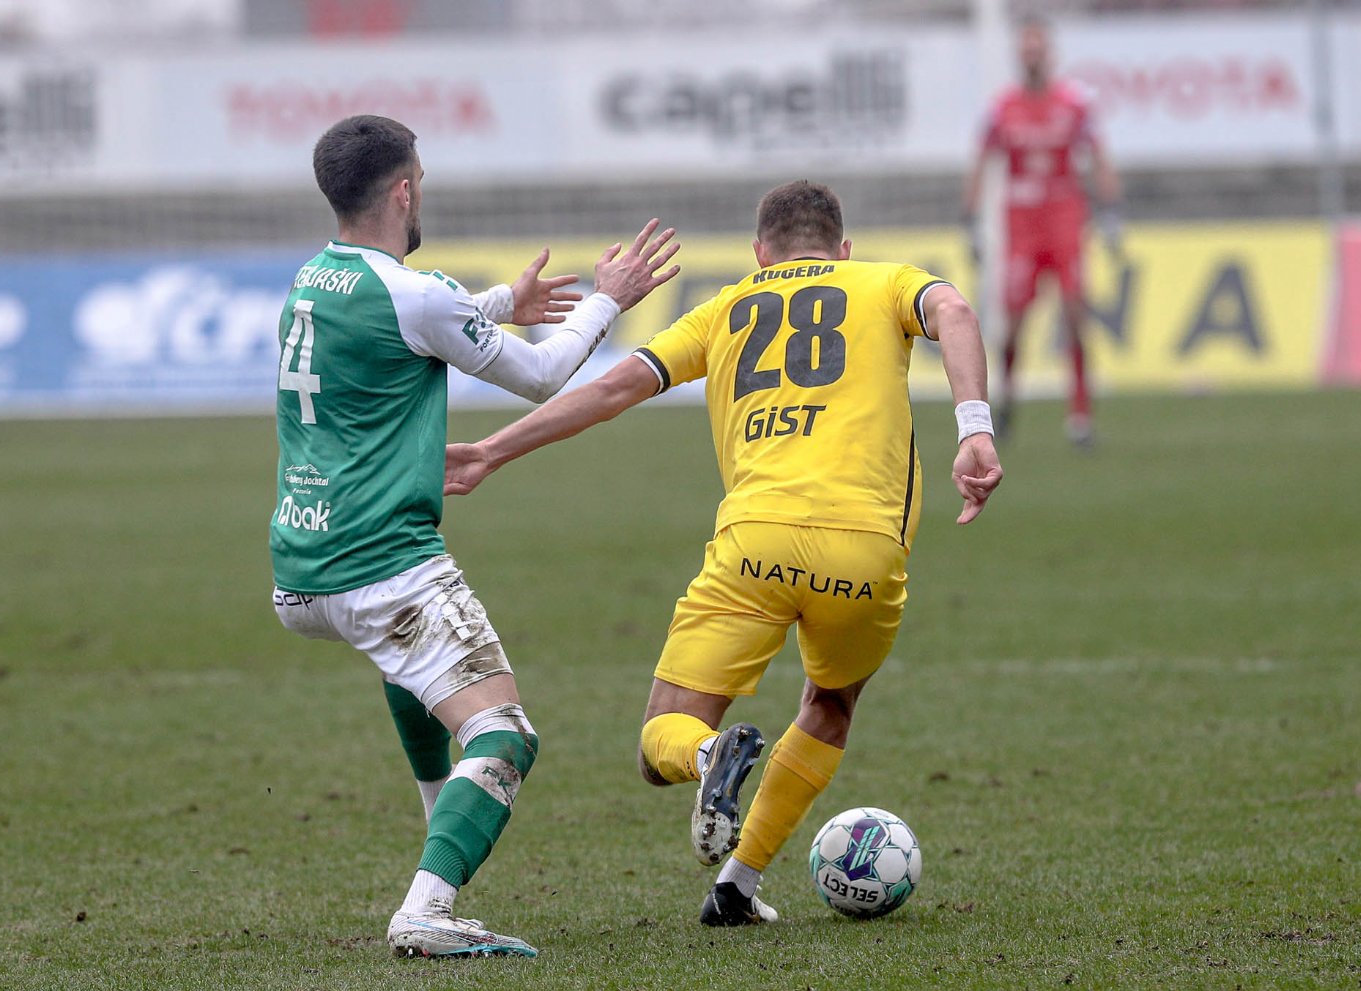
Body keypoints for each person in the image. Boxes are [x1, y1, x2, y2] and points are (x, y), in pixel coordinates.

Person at [444, 180, 1003, 925]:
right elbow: (955, 311)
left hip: (754, 546)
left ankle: (709, 756)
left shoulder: (726, 309)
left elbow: (611, 390)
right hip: (865, 550)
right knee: (831, 705)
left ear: (759, 254)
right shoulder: (886, 281)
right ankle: (737, 884)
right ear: (843, 249)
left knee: (661, 742)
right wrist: (974, 428)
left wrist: (491, 450)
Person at [268, 114, 679, 958]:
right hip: (382, 565)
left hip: (301, 569)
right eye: (422, 181)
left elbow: (413, 323)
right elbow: (541, 374)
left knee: (410, 670)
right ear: (403, 191)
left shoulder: (312, 279)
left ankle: (438, 814)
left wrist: (501, 305)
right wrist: (608, 298)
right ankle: (427, 907)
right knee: (506, 734)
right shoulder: (414, 295)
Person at [963, 16, 1122, 447]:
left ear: (1049, 55)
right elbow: (981, 162)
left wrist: (1110, 211)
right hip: (1022, 227)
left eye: (1038, 50)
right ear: (1020, 56)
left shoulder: (1074, 103)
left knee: (1074, 313)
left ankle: (1080, 415)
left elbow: (1099, 155)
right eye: (1026, 50)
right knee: (1014, 324)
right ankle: (1007, 401)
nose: (1032, 57)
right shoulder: (1002, 108)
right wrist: (970, 221)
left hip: (1065, 220)